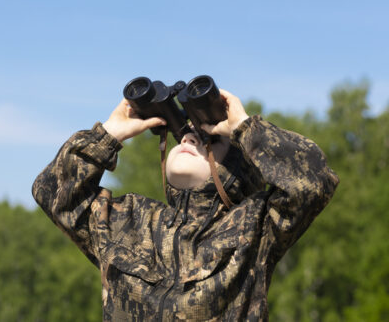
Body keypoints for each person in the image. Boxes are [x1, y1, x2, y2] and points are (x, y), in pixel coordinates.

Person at [32, 89, 339, 321]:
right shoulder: (132, 221)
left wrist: (246, 128)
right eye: (183, 136)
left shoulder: (255, 224)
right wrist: (108, 135)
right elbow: (52, 193)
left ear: (236, 171)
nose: (189, 140)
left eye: (208, 140)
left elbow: (315, 181)